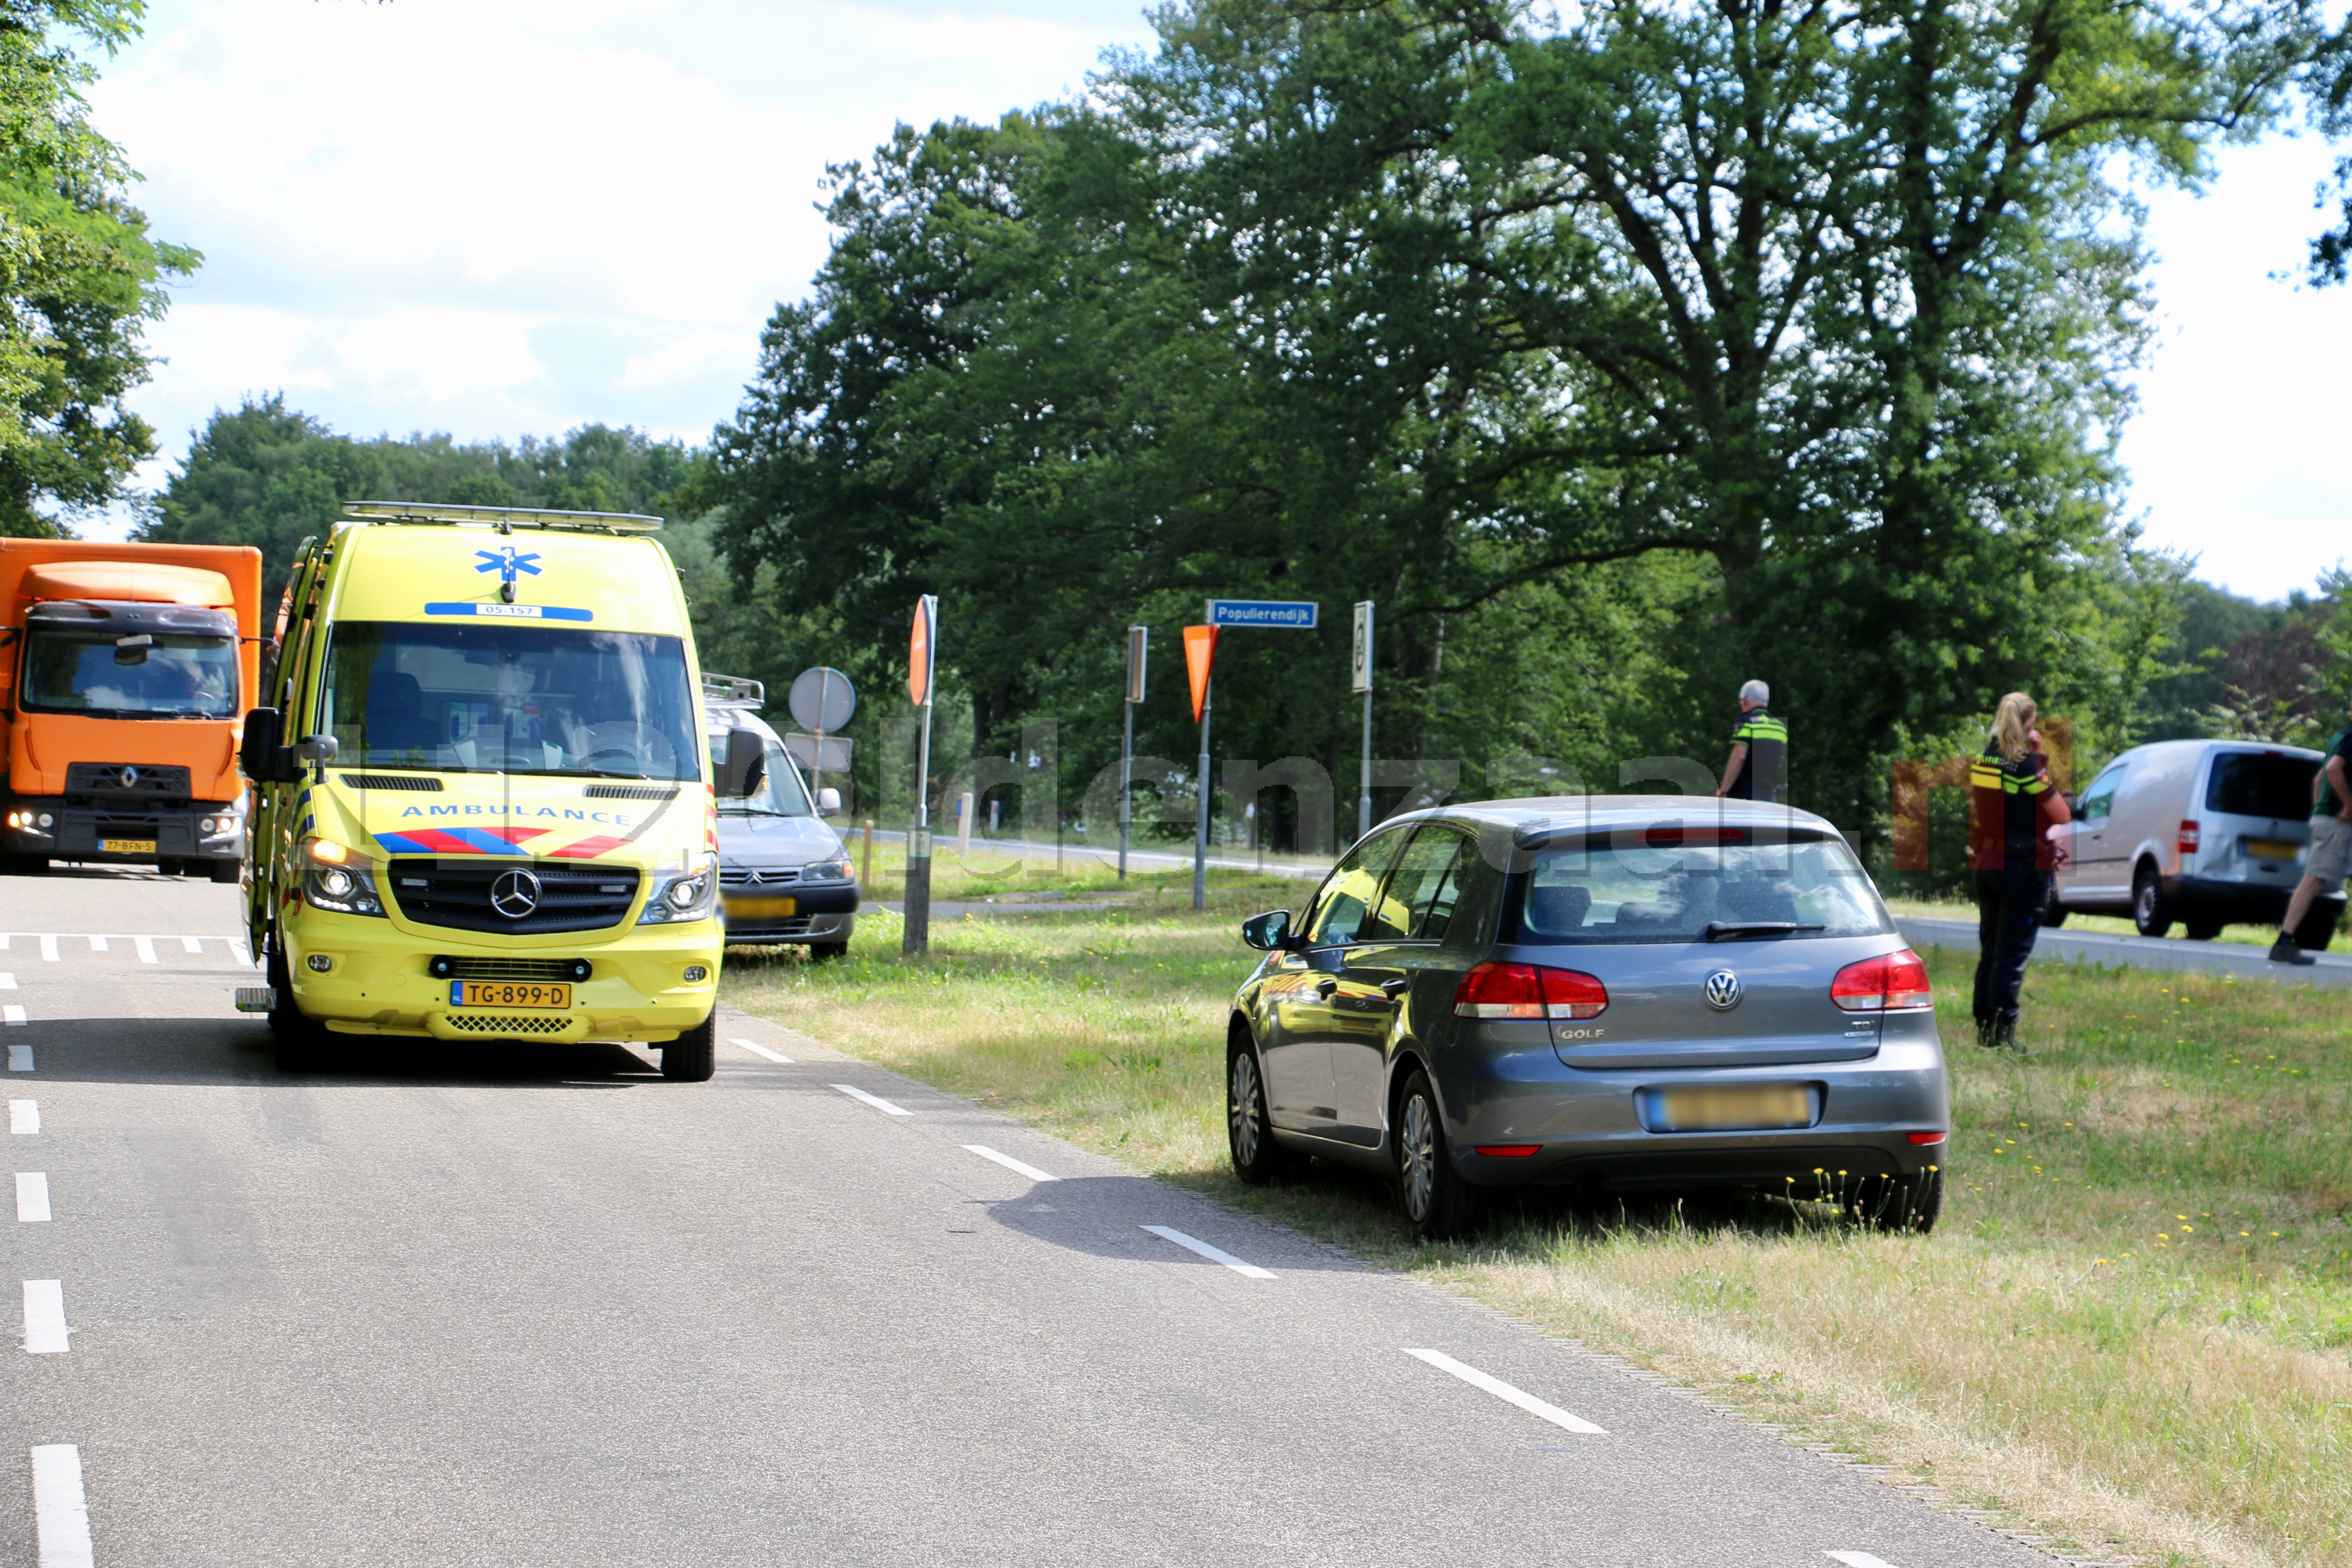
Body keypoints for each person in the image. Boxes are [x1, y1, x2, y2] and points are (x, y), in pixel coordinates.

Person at [1967, 692, 2073, 1051]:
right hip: (2019, 868)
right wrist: (2040, 760)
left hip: (1987, 865)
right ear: (2030, 723)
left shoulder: (1984, 758)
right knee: (2011, 957)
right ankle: (2004, 1035)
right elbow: (2061, 814)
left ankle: (1985, 1030)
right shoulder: (2025, 765)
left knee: (1991, 952)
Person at [2269, 702, 2352, 965]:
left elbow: (2319, 779)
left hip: (2332, 820)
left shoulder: (2341, 735)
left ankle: (2284, 942)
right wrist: (2348, 804)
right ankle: (2283, 943)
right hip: (2338, 823)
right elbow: (2332, 770)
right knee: (2314, 880)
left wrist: (2318, 813)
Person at [1716, 679, 1788, 802]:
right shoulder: (1780, 727)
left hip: (1744, 795)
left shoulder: (1746, 721)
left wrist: (1723, 791)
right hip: (1768, 795)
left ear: (1745, 700)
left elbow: (1739, 757)